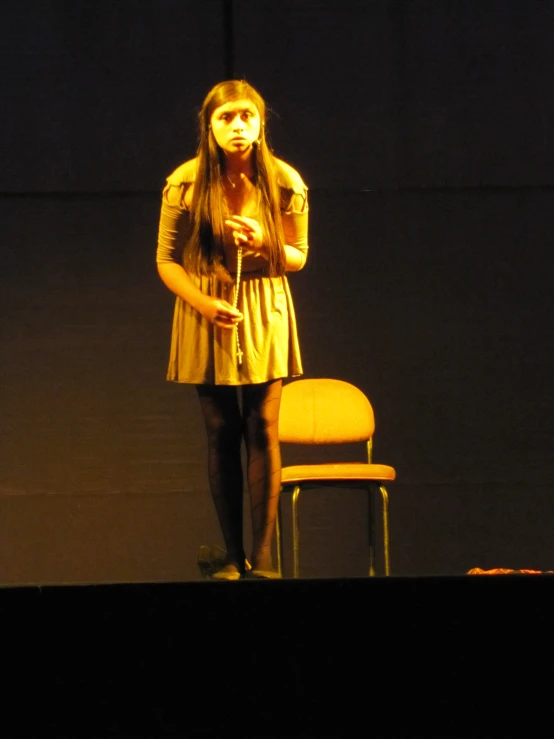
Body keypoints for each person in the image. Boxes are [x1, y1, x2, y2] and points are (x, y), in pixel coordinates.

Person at [156, 80, 309, 580]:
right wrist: (202, 302)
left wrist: (266, 242)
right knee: (221, 431)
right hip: (207, 306)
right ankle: (230, 556)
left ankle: (263, 561)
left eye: (246, 116)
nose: (237, 126)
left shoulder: (284, 182)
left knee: (262, 429)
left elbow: (298, 256)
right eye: (226, 118)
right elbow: (166, 260)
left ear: (261, 123)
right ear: (210, 126)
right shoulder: (185, 181)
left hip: (264, 305)